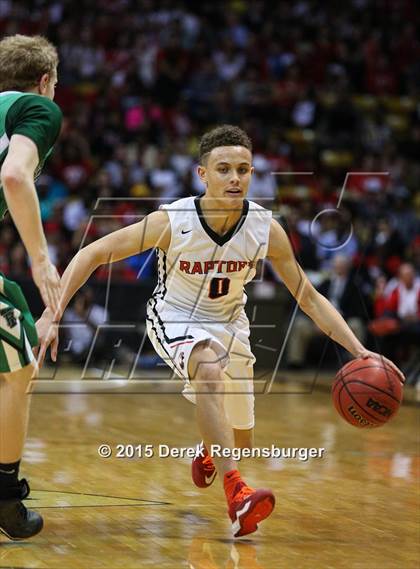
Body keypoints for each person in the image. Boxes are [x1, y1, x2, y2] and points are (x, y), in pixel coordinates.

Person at [37, 125, 404, 538]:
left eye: (243, 170)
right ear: (202, 175)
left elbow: (309, 297)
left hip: (232, 323)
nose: (235, 178)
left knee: (241, 440)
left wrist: (360, 353)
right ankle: (236, 492)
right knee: (208, 367)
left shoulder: (266, 229)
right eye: (224, 169)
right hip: (174, 316)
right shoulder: (171, 221)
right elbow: (93, 253)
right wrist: (53, 314)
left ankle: (211, 456)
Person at [0, 35, 62, 540]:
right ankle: (3, 495)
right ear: (45, 81)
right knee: (18, 372)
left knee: (14, 323)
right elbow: (15, 177)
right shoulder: (36, 108)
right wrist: (42, 260)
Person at [287, 255, 368, 368]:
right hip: (320, 321)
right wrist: (317, 321)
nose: (338, 267)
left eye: (341, 265)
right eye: (336, 265)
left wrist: (339, 321)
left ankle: (355, 364)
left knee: (357, 324)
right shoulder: (325, 283)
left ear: (347, 267)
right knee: (299, 324)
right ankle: (295, 363)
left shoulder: (354, 286)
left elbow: (357, 310)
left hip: (344, 323)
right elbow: (312, 302)